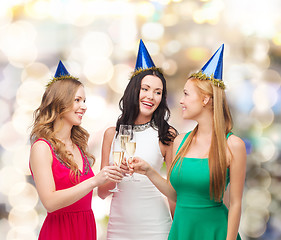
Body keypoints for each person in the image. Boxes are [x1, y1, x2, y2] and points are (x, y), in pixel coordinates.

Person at [129, 44, 246, 240]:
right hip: (182, 231)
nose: (181, 101)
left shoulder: (233, 145)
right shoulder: (180, 141)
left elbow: (235, 204)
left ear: (205, 100)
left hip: (216, 232)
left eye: (186, 94)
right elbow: (175, 195)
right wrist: (148, 170)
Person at [29, 61, 123, 240]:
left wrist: (112, 176)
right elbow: (49, 202)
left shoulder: (78, 145)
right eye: (77, 100)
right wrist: (94, 181)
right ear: (59, 103)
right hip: (59, 233)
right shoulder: (42, 148)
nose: (84, 106)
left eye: (84, 100)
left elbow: (91, 192)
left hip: (85, 229)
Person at [97, 40, 178, 240]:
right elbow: (102, 192)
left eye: (158, 92)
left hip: (156, 227)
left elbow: (175, 194)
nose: (151, 96)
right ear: (134, 91)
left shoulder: (167, 136)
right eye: (146, 89)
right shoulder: (111, 134)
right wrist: (116, 174)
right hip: (119, 227)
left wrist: (179, 231)